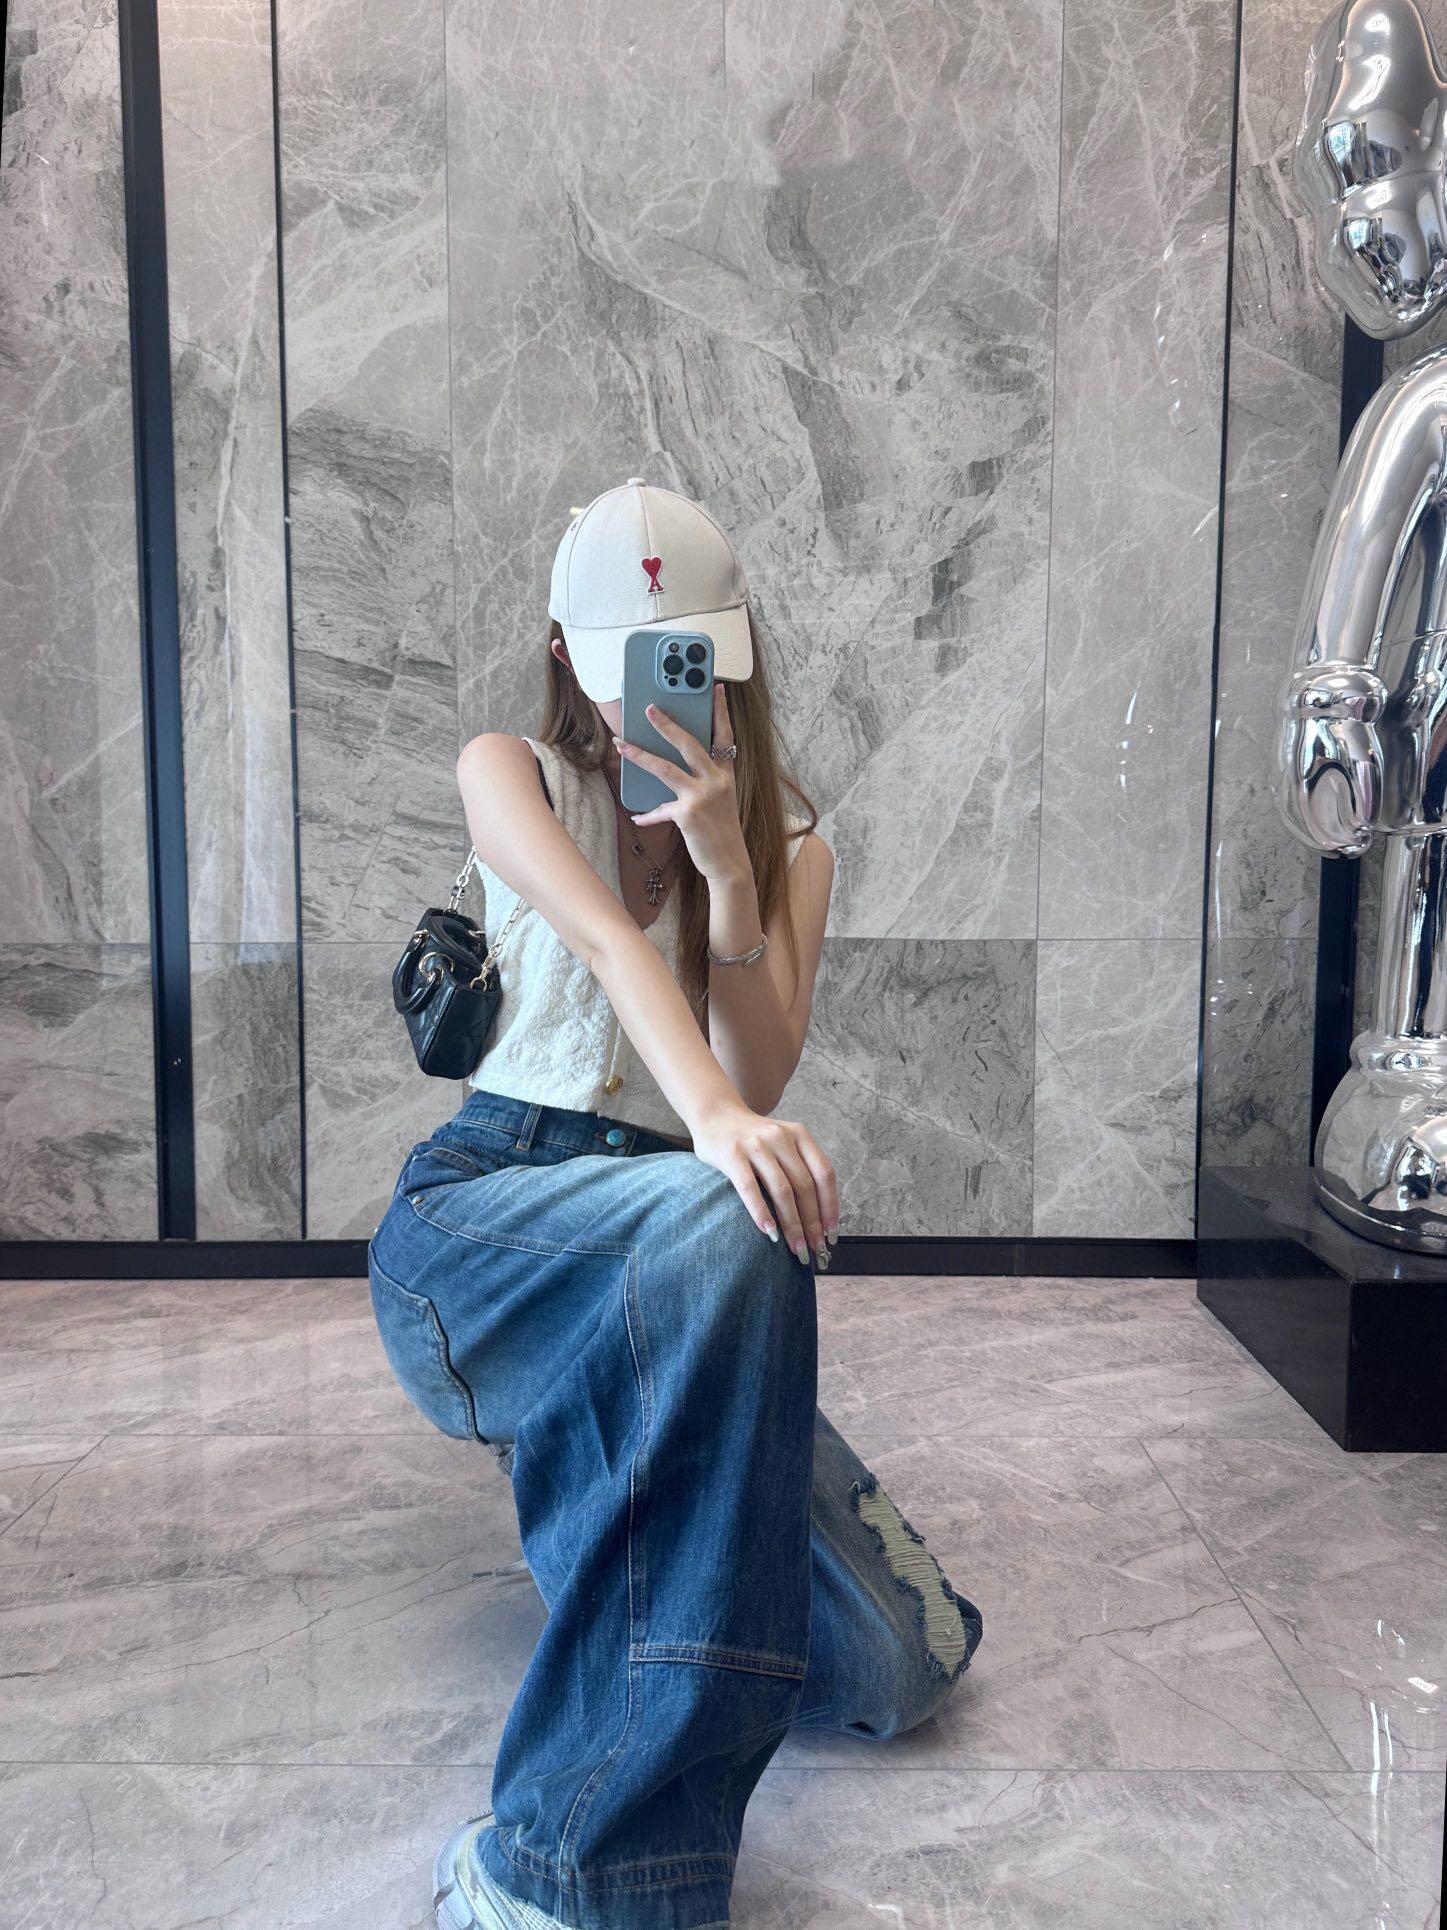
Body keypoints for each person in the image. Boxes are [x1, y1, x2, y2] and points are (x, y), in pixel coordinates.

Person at [367, 478, 985, 1930]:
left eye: (682, 654)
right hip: (487, 1220)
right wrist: (713, 1126)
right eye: (611, 658)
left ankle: (631, 1529)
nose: (639, 689)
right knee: (727, 1211)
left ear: (732, 652)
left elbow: (758, 1070)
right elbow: (602, 940)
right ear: (563, 652)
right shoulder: (509, 770)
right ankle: (564, 1871)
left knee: (901, 1667)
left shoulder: (794, 851)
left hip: (679, 1258)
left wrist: (727, 868)